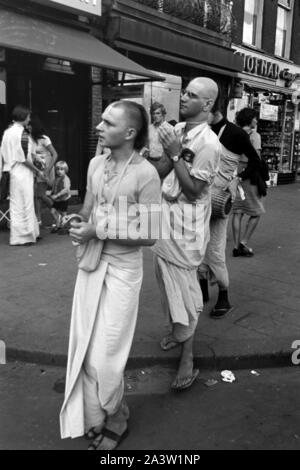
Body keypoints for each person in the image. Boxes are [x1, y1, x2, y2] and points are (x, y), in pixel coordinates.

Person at [60, 100, 161, 450]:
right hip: (90, 264)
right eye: (101, 121)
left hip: (122, 270)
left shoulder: (146, 173)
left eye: (108, 122)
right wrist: (77, 221)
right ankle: (98, 415)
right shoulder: (94, 163)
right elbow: (89, 208)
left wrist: (98, 231)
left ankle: (117, 414)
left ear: (130, 133)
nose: (98, 127)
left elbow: (150, 234)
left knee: (107, 356)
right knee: (86, 349)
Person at [150, 78, 221, 390]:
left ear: (207, 104)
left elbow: (193, 191)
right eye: (185, 92)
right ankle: (176, 331)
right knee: (166, 284)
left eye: (193, 95)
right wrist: (157, 154)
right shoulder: (177, 130)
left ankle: (187, 358)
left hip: (187, 225)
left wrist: (177, 153)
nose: (184, 98)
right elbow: (162, 170)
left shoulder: (209, 144)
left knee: (186, 291)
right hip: (164, 220)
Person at [198, 106, 262, 318]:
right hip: (197, 196)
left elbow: (256, 161)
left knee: (215, 246)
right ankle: (202, 287)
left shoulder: (236, 133)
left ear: (213, 108)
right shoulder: (200, 129)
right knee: (197, 243)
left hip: (219, 198)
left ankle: (224, 295)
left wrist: (237, 179)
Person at [0, 105, 41, 245]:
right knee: (27, 202)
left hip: (11, 171)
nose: (29, 119)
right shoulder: (22, 133)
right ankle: (28, 235)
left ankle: (18, 236)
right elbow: (23, 158)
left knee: (16, 203)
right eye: (28, 116)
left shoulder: (7, 133)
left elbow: (4, 154)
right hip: (23, 171)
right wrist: (37, 170)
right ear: (23, 117)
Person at [232, 108, 267, 257]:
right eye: (255, 118)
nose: (256, 121)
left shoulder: (235, 133)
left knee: (237, 211)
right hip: (249, 174)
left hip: (235, 172)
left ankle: (235, 246)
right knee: (257, 211)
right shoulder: (255, 136)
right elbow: (256, 159)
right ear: (249, 119)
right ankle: (244, 243)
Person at [29, 115, 58, 225]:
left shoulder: (44, 139)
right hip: (36, 169)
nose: (28, 127)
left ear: (34, 126)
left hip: (46, 169)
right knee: (37, 196)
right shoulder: (30, 139)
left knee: (40, 194)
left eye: (30, 125)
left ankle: (57, 211)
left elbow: (55, 154)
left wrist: (47, 171)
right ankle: (39, 219)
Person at [49, 161, 71, 232]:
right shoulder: (56, 178)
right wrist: (52, 193)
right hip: (57, 200)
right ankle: (58, 223)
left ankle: (65, 227)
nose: (59, 171)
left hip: (64, 199)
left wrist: (57, 195)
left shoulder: (66, 179)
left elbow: (66, 189)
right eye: (57, 169)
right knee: (52, 211)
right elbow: (54, 186)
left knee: (64, 214)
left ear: (65, 170)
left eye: (62, 169)